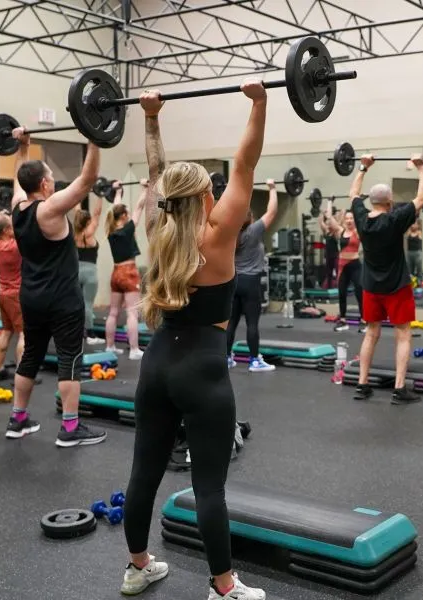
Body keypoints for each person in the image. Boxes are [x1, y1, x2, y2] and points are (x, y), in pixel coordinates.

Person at [120, 81, 267, 600]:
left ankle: (138, 566)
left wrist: (152, 118)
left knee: (144, 472)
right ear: (206, 194)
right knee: (208, 486)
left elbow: (157, 173)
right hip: (203, 369)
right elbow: (245, 162)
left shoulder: (159, 228)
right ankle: (223, 587)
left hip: (158, 362)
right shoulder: (220, 229)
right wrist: (259, 103)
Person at [2, 127, 106, 447]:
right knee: (69, 359)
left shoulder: (17, 207)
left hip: (31, 297)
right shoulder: (50, 209)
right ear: (45, 184)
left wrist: (23, 147)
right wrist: (94, 137)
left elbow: (18, 180)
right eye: (50, 177)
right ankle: (70, 428)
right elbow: (87, 181)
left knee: (31, 355)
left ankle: (18, 419)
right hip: (61, 299)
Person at [350, 154, 423, 405]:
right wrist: (421, 168)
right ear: (390, 201)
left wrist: (363, 167)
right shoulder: (395, 219)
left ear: (371, 201)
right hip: (396, 286)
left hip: (371, 287)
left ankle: (362, 384)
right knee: (403, 334)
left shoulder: (362, 219)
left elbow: (353, 194)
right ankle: (399, 388)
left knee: (370, 332)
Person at [226, 178, 279, 373]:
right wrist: (272, 188)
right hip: (250, 282)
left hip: (233, 281)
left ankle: (226, 358)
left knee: (231, 322)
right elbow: (272, 212)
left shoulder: (229, 234)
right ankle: (254, 360)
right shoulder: (253, 231)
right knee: (252, 323)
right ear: (250, 218)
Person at [103, 180, 148, 360]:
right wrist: (144, 188)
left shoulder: (111, 230)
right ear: (123, 216)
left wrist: (118, 192)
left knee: (113, 312)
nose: (129, 215)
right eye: (126, 213)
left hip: (115, 274)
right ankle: (134, 349)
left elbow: (117, 209)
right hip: (129, 273)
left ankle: (109, 346)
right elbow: (139, 207)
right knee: (132, 313)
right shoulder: (128, 229)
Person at [0, 210, 25, 381]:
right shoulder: (15, 247)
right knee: (25, 334)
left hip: (3, 294)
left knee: (7, 331)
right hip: (17, 294)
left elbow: (1, 226)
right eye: (10, 226)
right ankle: (23, 374)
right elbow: (24, 230)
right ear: (4, 231)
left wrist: (3, 216)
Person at [324, 203, 364, 332]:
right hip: (342, 266)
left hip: (355, 265)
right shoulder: (340, 231)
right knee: (341, 293)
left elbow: (363, 218)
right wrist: (330, 202)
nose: (348, 220)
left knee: (359, 293)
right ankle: (342, 320)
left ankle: (364, 320)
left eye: (351, 218)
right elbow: (329, 218)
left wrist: (360, 204)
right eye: (347, 218)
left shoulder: (357, 232)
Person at [75, 192, 104, 344]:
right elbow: (97, 213)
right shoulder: (89, 233)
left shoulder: (75, 234)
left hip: (76, 271)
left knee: (77, 304)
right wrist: (101, 195)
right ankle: (91, 335)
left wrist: (77, 194)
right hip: (90, 272)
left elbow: (77, 211)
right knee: (88, 304)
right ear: (88, 221)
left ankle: (79, 332)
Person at [318, 206, 339, 288]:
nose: (327, 224)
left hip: (335, 256)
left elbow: (336, 221)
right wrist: (323, 213)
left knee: (337, 273)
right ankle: (329, 287)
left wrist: (332, 214)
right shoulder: (326, 231)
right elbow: (320, 222)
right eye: (327, 223)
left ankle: (338, 288)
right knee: (328, 274)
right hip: (328, 256)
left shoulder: (335, 232)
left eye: (329, 223)